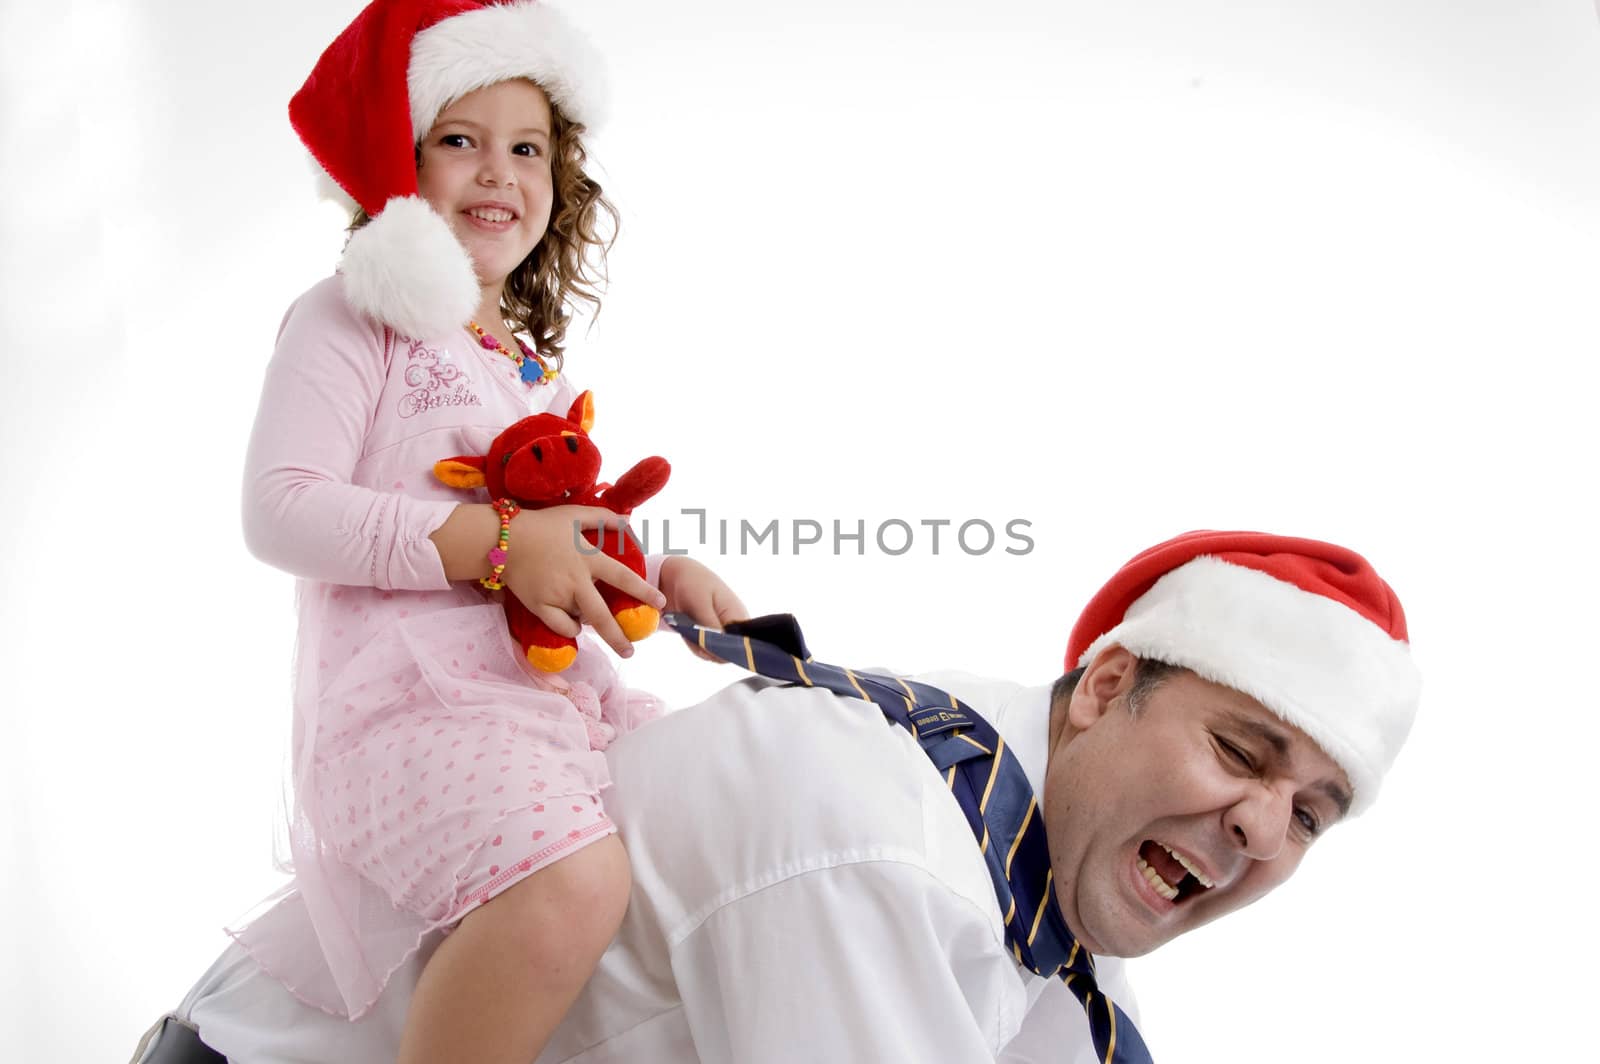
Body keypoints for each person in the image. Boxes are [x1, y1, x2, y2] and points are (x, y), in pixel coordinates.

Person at [136, 530, 1420, 1063]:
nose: (1262, 827)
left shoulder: (1038, 860)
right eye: (1243, 753)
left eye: (1310, 811)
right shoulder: (886, 843)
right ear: (1106, 685)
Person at [218, 3, 745, 1063]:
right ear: (400, 163)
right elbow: (280, 505)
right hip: (401, 713)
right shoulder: (349, 316)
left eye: (526, 148)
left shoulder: (524, 369)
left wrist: (654, 570)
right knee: (572, 878)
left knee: (713, 807)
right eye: (460, 141)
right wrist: (495, 544)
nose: (497, 173)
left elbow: (553, 537)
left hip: (538, 707)